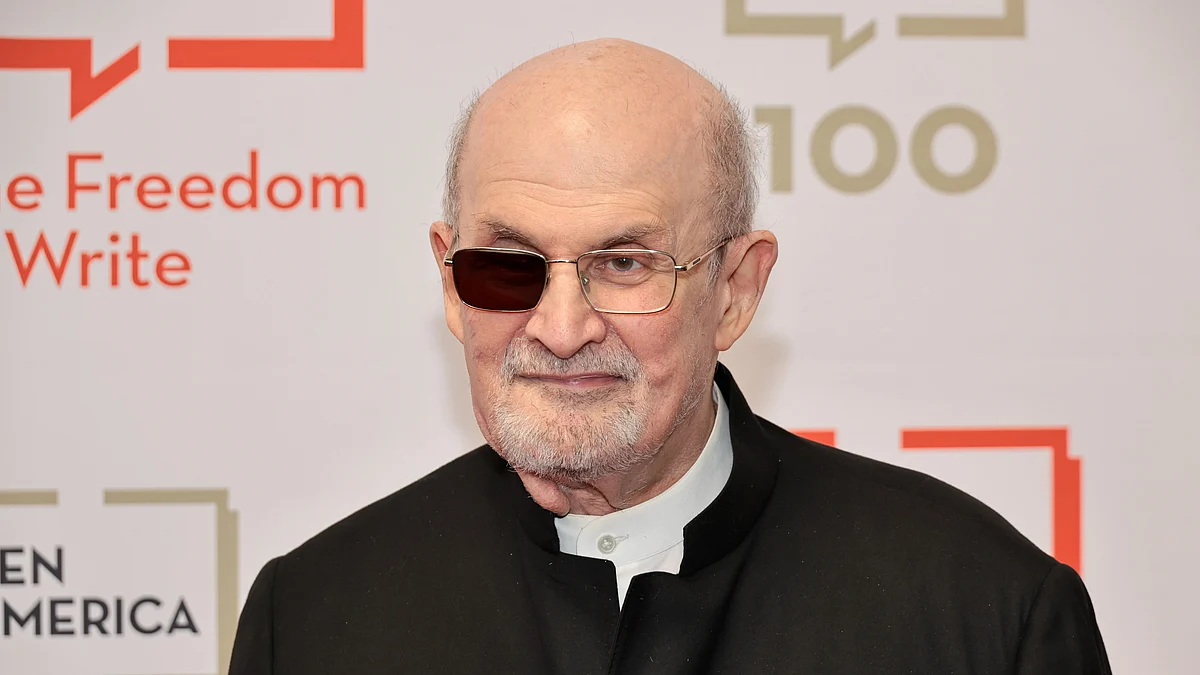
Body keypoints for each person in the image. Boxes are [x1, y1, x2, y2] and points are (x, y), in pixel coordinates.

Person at [228, 39, 1111, 674]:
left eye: (624, 263)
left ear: (735, 290)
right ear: (454, 285)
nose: (561, 327)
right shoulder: (310, 618)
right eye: (509, 265)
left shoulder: (987, 613)